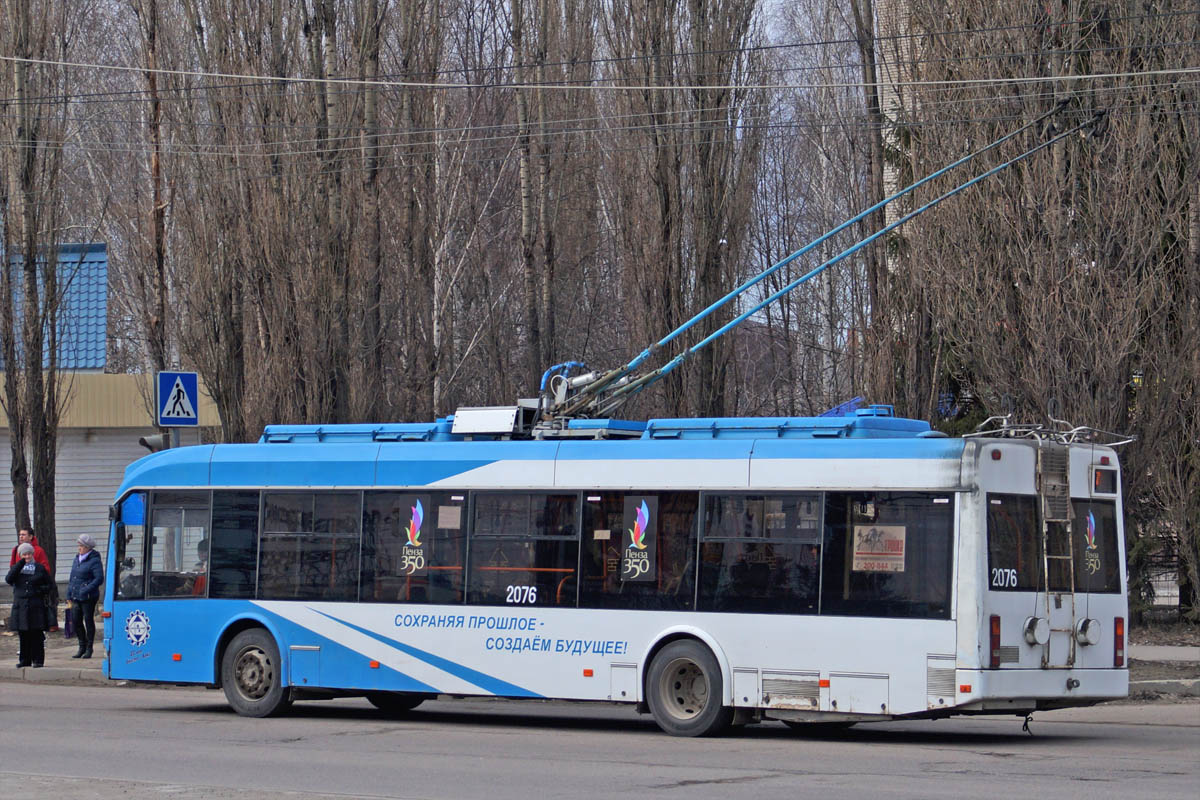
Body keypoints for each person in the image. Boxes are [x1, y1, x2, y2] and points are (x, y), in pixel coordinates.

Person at [6, 542, 52, 668]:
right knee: (23, 634)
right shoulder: (17, 568)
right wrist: (20, 563)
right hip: (20, 605)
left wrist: (38, 590)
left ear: (33, 554)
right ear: (21, 555)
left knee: (36, 633)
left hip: (35, 604)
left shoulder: (39, 568)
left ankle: (38, 660)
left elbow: (49, 585)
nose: (27, 556)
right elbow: (9, 579)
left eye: (29, 554)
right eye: (24, 554)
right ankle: (24, 660)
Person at [66, 534, 104, 659]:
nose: (79, 548)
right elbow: (72, 577)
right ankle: (81, 646)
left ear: (88, 547)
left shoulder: (94, 560)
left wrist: (86, 589)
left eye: (81, 546)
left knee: (88, 620)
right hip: (76, 595)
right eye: (79, 545)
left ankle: (89, 648)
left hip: (88, 597)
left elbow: (99, 578)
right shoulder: (77, 558)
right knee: (76, 621)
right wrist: (69, 593)